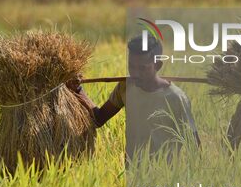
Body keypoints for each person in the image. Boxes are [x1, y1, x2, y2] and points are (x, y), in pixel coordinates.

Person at [67, 34, 200, 164]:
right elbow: (99, 119)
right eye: (131, 66)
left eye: (142, 68)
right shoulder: (125, 87)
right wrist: (78, 90)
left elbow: (194, 143)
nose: (135, 73)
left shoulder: (176, 97)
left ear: (157, 65)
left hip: (164, 176)